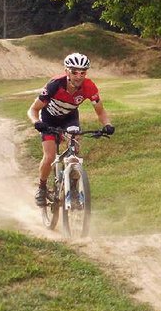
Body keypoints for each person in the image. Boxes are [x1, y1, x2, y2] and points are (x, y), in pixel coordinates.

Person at [27, 52, 114, 207]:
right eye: (74, 72)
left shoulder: (89, 87)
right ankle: (41, 187)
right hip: (48, 118)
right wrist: (36, 122)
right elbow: (32, 110)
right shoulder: (55, 84)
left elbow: (100, 111)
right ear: (67, 71)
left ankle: (73, 189)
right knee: (50, 155)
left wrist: (107, 125)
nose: (78, 76)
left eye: (83, 72)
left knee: (74, 153)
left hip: (69, 118)